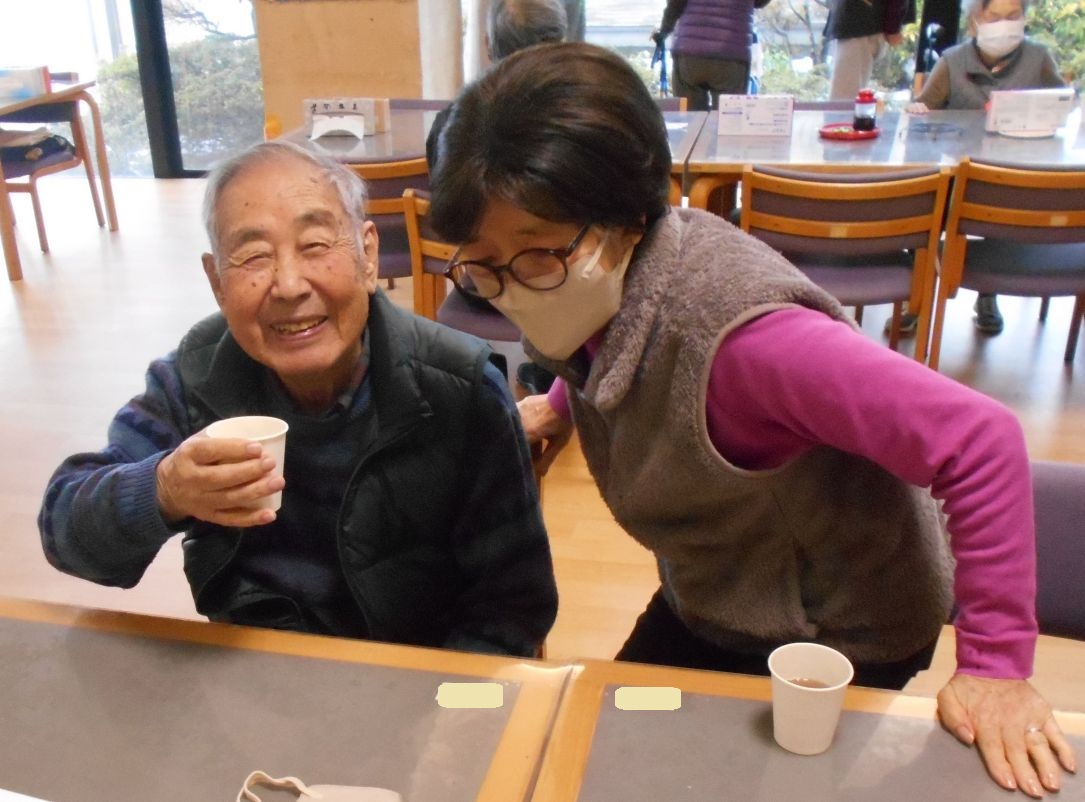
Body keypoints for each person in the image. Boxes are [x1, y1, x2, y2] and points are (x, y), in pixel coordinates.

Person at [429, 42, 1077, 795]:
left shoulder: (749, 346)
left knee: (740, 784)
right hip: (721, 592)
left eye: (535, 257)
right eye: (482, 265)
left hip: (835, 630)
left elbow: (979, 441)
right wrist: (557, 406)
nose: (510, 290)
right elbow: (611, 343)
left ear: (625, 221)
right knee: (608, 747)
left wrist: (996, 667)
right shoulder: (598, 283)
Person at [37, 141, 557, 658]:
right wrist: (164, 489)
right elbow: (65, 534)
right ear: (217, 282)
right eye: (253, 256)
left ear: (368, 256)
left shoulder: (461, 387)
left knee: (483, 700)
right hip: (258, 670)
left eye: (315, 245)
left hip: (424, 676)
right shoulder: (194, 380)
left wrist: (441, 702)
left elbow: (515, 609)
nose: (288, 285)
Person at [907, 0, 1065, 336]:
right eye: (994, 17)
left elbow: (1061, 105)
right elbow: (923, 109)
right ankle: (917, 300)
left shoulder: (1038, 58)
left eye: (1013, 16)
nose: (1004, 24)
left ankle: (988, 293)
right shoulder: (953, 60)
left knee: (1004, 208)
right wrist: (918, 109)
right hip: (959, 172)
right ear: (975, 20)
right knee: (921, 209)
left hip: (1015, 175)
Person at [651, 0, 767, 111]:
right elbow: (760, 2)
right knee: (728, 118)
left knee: (691, 118)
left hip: (690, 54)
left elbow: (675, 5)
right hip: (731, 56)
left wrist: (664, 31)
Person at [824, 0, 916, 101]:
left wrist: (893, 27)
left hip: (859, 24)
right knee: (845, 102)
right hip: (858, 23)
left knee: (843, 103)